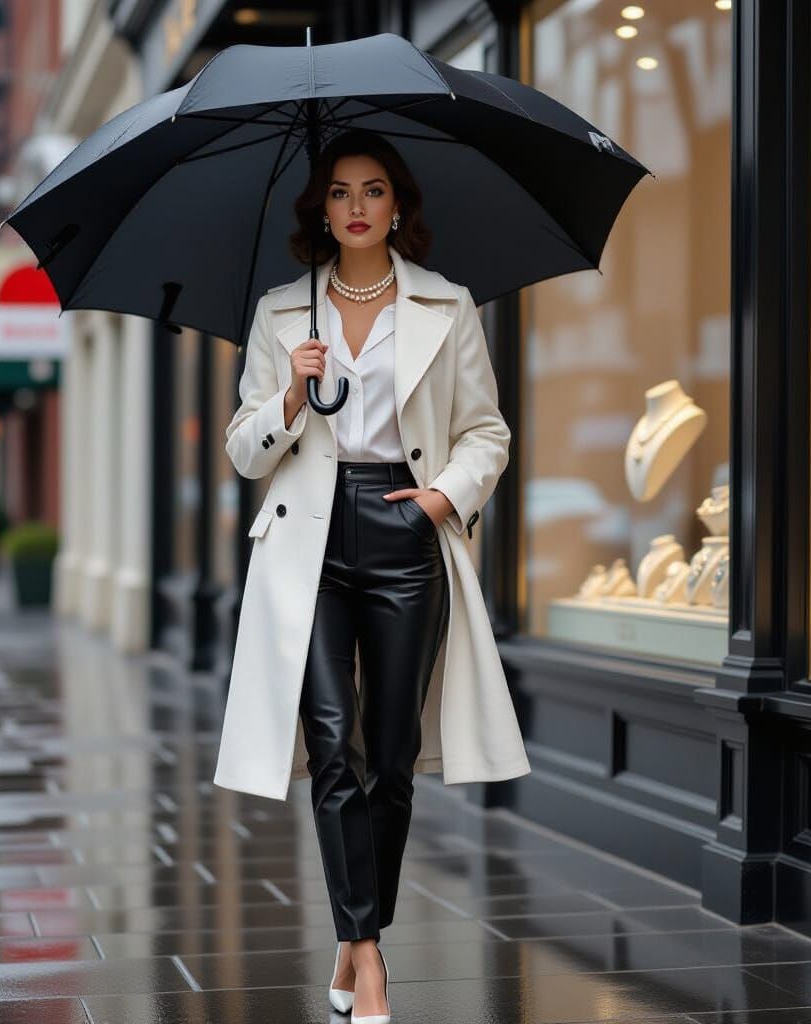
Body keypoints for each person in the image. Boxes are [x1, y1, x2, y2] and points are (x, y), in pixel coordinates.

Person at [215, 128, 520, 1024]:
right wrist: (287, 399)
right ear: (321, 208)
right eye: (341, 191)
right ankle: (371, 955)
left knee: (389, 757)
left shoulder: (445, 305)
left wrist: (440, 500)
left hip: (402, 525)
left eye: (374, 190)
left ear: (398, 206)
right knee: (332, 743)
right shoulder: (281, 313)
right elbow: (242, 452)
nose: (356, 206)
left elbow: (487, 432)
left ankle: (352, 944)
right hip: (307, 536)